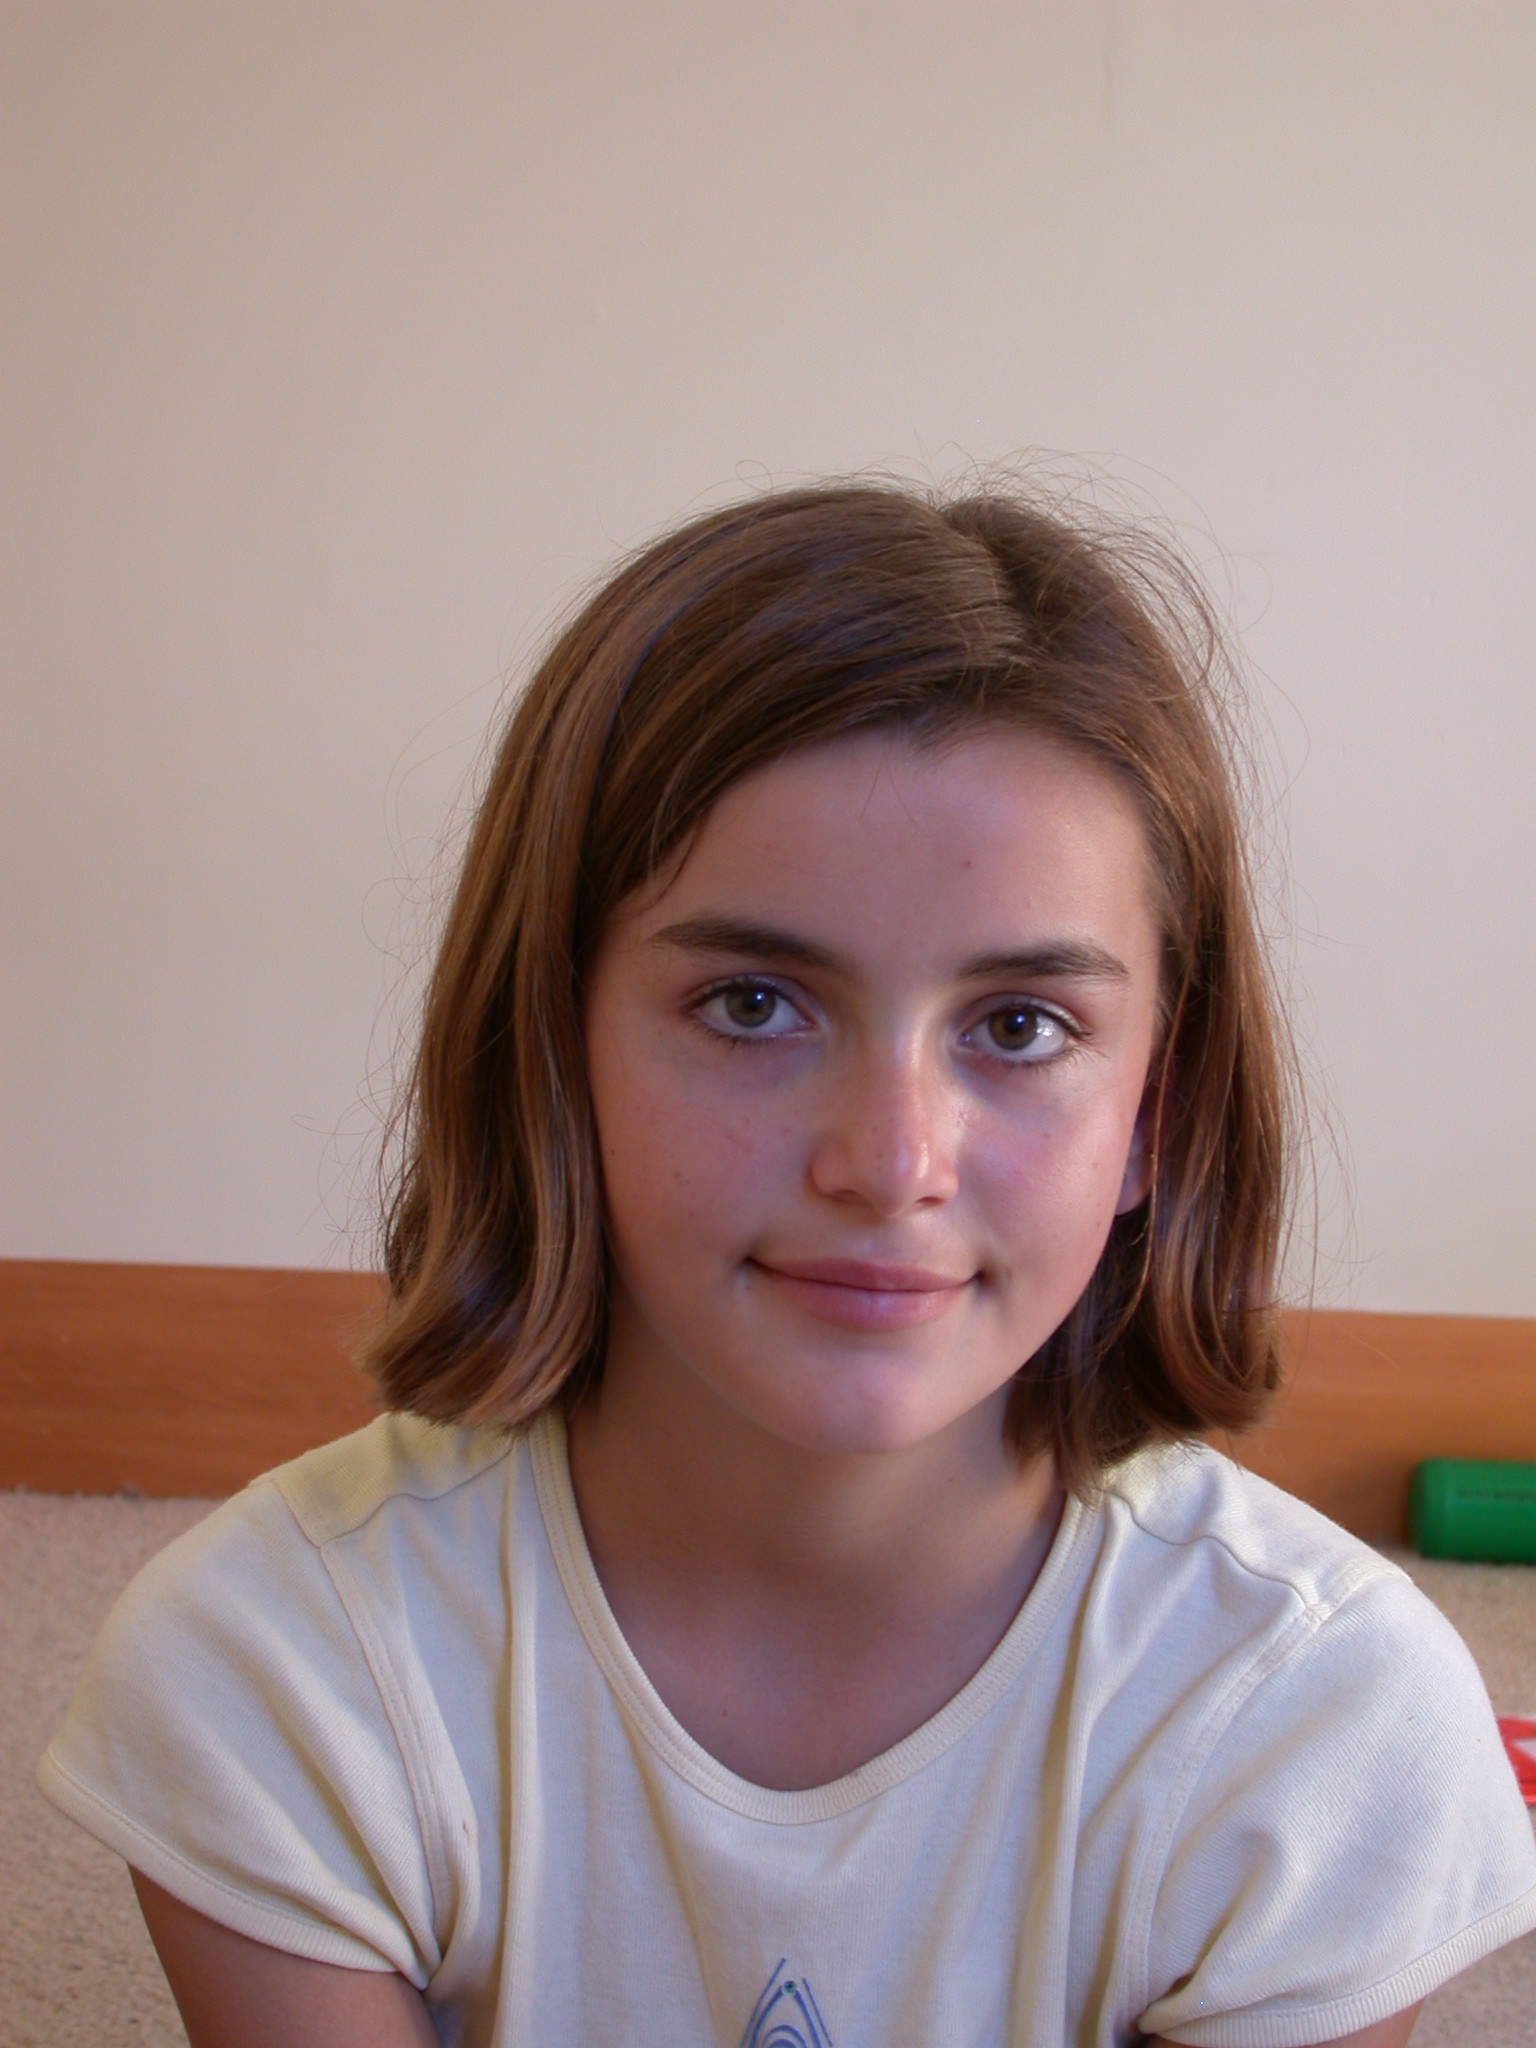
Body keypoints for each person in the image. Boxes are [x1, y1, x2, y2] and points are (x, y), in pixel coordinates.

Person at [39, 481, 1536, 2047]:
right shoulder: (277, 1669)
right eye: (753, 1005)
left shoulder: (1321, 1726)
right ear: (551, 1053)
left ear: (1158, 1114)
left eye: (1021, 1026)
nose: (890, 1162)